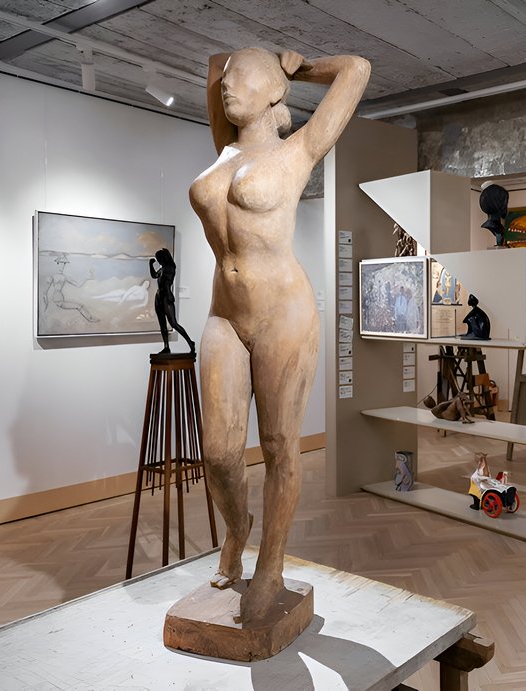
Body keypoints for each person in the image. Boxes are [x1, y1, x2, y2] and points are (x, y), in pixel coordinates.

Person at [190, 46, 369, 624]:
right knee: (218, 452)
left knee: (278, 445)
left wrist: (300, 68)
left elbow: (357, 70)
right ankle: (236, 528)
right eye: (228, 79)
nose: (227, 85)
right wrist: (238, 61)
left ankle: (270, 565)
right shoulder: (225, 150)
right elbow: (215, 62)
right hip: (224, 315)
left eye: (243, 78)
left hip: (283, 315)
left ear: (273, 91)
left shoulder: (300, 150)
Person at [149, 248, 194, 354]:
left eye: (159, 259)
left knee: (173, 323)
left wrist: (168, 293)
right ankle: (166, 346)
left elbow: (166, 280)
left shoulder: (170, 267)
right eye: (157, 259)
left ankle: (190, 342)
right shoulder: (162, 269)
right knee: (162, 324)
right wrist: (150, 265)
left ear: (164, 258)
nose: (158, 261)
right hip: (159, 297)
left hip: (166, 297)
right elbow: (154, 275)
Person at [42, 253, 97, 323]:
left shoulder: (65, 277)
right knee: (79, 306)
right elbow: (44, 293)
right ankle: (90, 319)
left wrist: (87, 278)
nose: (62, 266)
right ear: (57, 263)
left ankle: (90, 318)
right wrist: (46, 305)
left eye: (64, 264)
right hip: (58, 301)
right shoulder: (52, 277)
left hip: (61, 300)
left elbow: (78, 285)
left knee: (80, 305)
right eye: (61, 263)